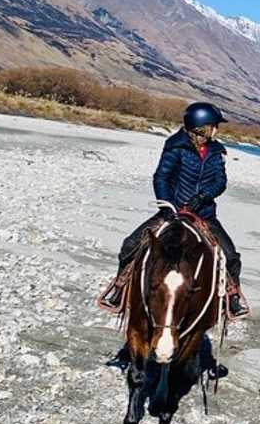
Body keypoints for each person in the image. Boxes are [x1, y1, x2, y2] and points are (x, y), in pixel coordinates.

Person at [102, 102, 248, 317]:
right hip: (172, 210)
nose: (217, 129)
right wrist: (167, 204)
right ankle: (119, 286)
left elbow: (220, 180)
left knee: (230, 255)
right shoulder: (175, 146)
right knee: (130, 244)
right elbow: (161, 176)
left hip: (204, 214)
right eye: (215, 125)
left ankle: (232, 295)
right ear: (202, 126)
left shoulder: (216, 150)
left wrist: (204, 196)